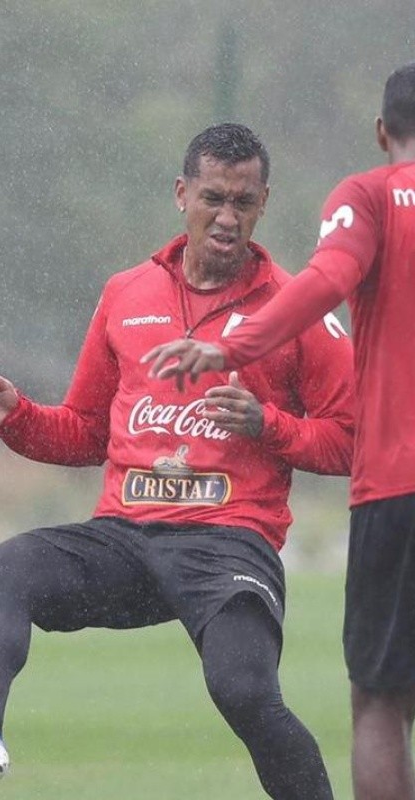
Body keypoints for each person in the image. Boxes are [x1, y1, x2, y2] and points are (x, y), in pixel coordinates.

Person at [0, 123, 355, 798]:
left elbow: (351, 440)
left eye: (243, 202)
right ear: (180, 193)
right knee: (7, 568)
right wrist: (15, 419)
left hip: (230, 545)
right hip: (126, 542)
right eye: (213, 198)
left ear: (264, 203)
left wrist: (269, 424)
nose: (227, 217)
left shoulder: (297, 308)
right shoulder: (127, 293)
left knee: (243, 690)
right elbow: (83, 433)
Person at [144, 63, 415, 800]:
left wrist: (230, 345)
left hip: (400, 481)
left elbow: (326, 280)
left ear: (383, 131)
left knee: (383, 701)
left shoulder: (369, 196)